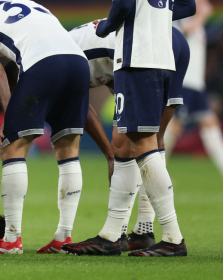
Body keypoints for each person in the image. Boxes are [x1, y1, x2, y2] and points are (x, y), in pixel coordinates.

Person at [62, 0, 195, 257]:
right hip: (165, 52)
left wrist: (105, 26)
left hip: (137, 55)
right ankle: (112, 235)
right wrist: (155, 16)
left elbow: (121, 1)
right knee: (128, 143)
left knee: (140, 144)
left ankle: (172, 239)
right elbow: (187, 4)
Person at [0, 0, 90, 255]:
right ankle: (64, 238)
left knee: (12, 148)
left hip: (43, 63)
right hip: (78, 62)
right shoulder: (31, 5)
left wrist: (9, 112)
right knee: (68, 147)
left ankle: (11, 240)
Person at [65, 23, 189, 254]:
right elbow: (111, 77)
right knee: (154, 141)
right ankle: (143, 231)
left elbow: (81, 108)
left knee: (124, 144)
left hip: (138, 48)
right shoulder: (70, 42)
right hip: (174, 40)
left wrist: (108, 154)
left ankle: (116, 235)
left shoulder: (54, 61)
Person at [166, 0, 223, 178]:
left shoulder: (198, 22)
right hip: (183, 82)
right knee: (173, 127)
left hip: (196, 85)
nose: (204, 1)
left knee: (210, 124)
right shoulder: (180, 16)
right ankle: (153, 170)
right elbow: (184, 33)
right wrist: (203, 16)